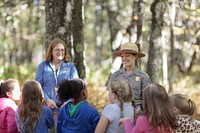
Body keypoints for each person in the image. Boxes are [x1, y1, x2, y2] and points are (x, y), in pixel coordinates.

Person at [35, 38, 79, 132]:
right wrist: (47, 100)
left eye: (62, 50)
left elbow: (76, 87)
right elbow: (37, 86)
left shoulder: (70, 67)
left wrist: (69, 101)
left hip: (66, 108)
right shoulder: (43, 66)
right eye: (57, 50)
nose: (60, 52)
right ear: (51, 51)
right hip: (47, 108)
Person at [107, 42, 151, 111]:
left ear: (135, 56)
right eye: (122, 56)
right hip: (118, 111)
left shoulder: (143, 77)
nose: (124, 58)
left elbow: (147, 100)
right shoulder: (115, 75)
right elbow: (110, 95)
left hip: (137, 113)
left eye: (127, 56)